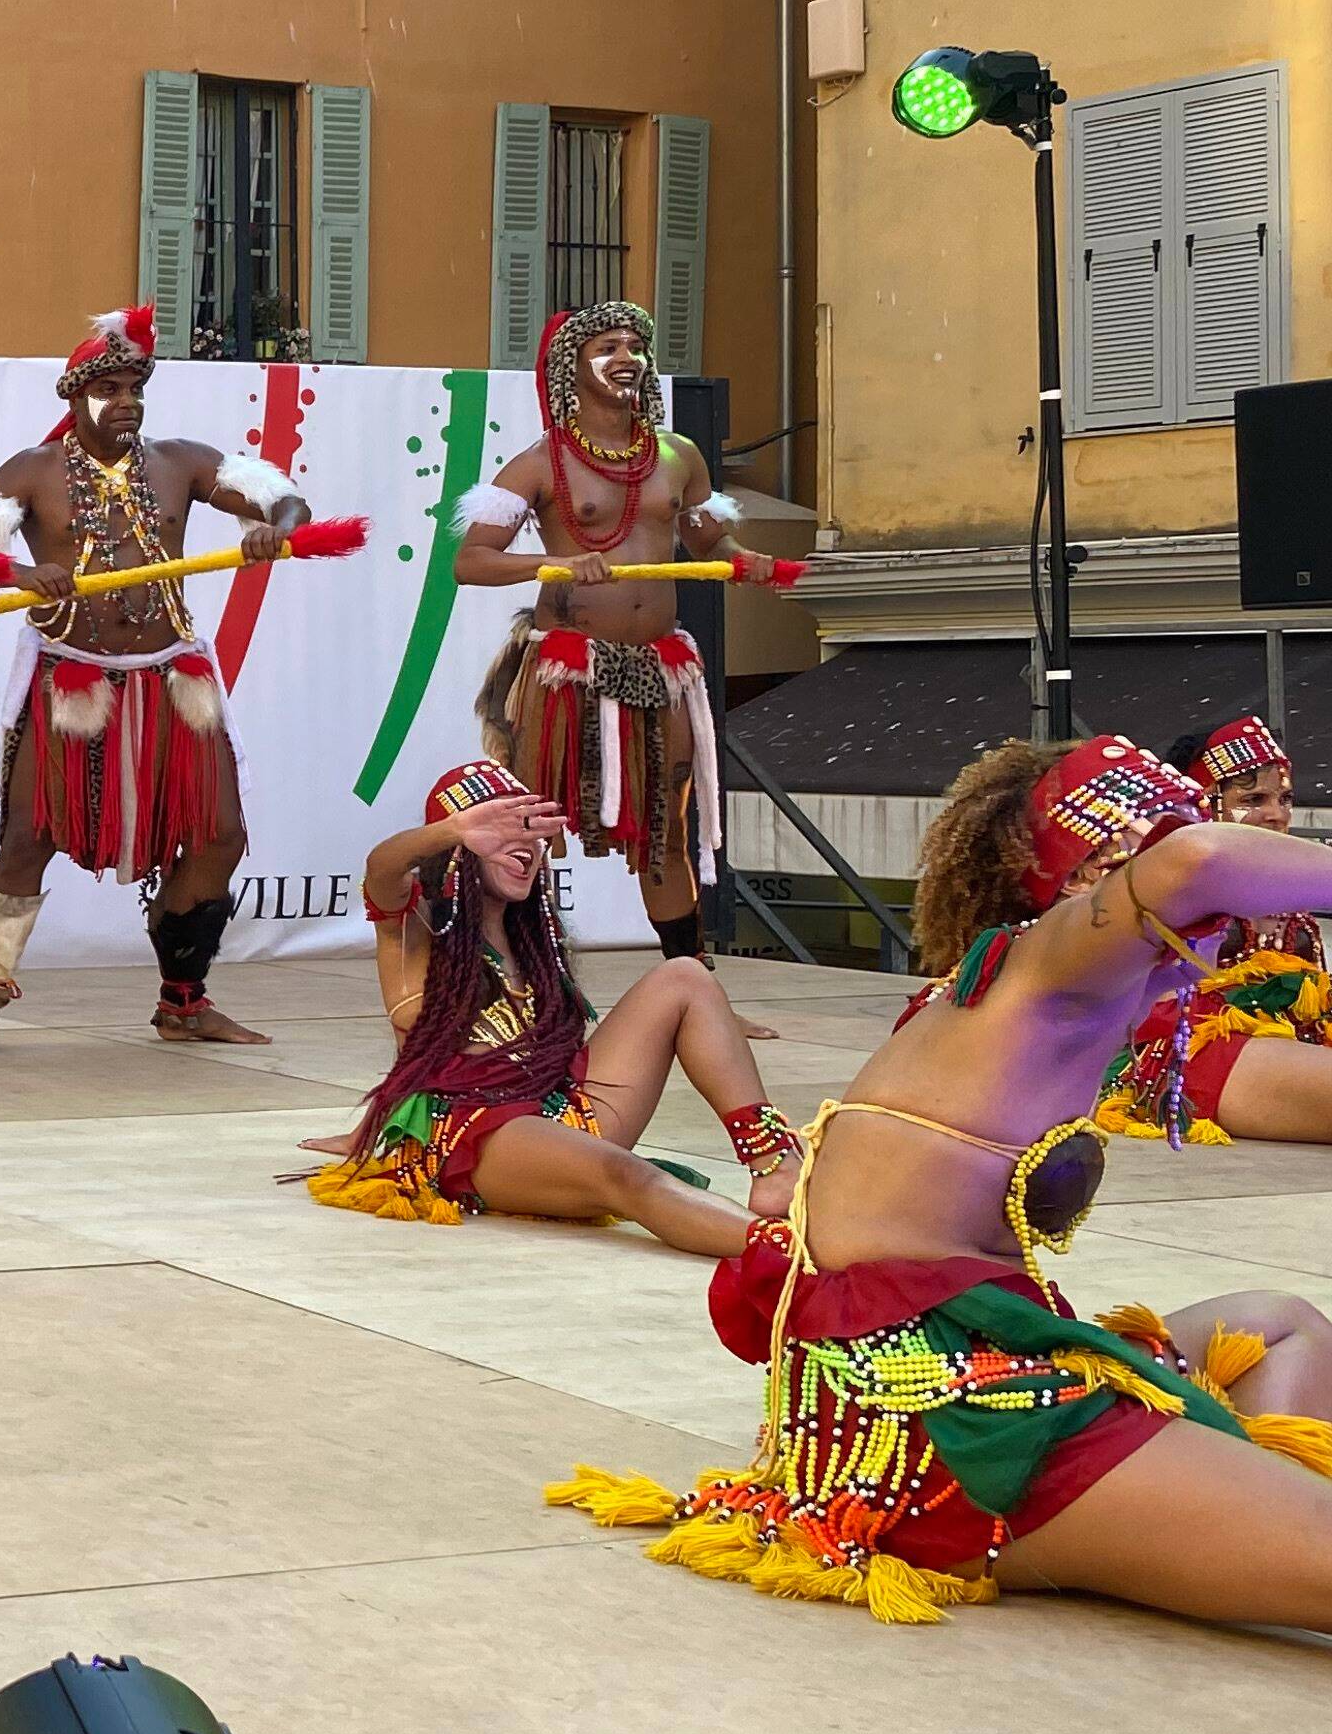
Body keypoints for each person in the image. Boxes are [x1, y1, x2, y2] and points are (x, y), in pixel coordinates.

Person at [550, 734, 1332, 1629]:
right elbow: (1201, 860)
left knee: (1282, 1326)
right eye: (1148, 850)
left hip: (914, 1388)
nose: (1219, 918)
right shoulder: (1053, 962)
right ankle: (1234, 1523)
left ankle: (1243, 1514)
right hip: (949, 1431)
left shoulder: (996, 984)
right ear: (1089, 880)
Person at [0, 307, 303, 1053]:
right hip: (73, 677)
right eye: (109, 385)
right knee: (28, 837)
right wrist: (21, 571)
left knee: (219, 835)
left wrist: (279, 527)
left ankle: (184, 1000)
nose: (127, 399)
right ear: (75, 396)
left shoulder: (180, 461)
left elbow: (283, 497)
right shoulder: (34, 471)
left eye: (135, 384)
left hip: (174, 677)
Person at [302, 758, 798, 1251]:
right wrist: (453, 827)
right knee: (630, 1177)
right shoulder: (417, 929)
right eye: (504, 832)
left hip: (566, 1111)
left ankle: (776, 1166)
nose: (527, 849)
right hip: (476, 1131)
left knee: (684, 977)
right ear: (459, 846)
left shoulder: (532, 939)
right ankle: (796, 1258)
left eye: (535, 835)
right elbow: (381, 868)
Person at [455, 303, 782, 964]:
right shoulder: (538, 463)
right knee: (532, 826)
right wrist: (556, 563)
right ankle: (516, 977)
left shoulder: (680, 456)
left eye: (635, 344)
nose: (627, 356)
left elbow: (705, 536)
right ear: (570, 367)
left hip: (662, 668)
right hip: (567, 670)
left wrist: (746, 560)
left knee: (667, 829)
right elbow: (471, 561)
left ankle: (691, 984)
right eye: (607, 345)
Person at [1091, 715, 1332, 1144]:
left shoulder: (1296, 910)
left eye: (1285, 798)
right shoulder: (1165, 887)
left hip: (1279, 1052)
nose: (1277, 815)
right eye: (1254, 799)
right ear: (1207, 801)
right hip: (1188, 1056)